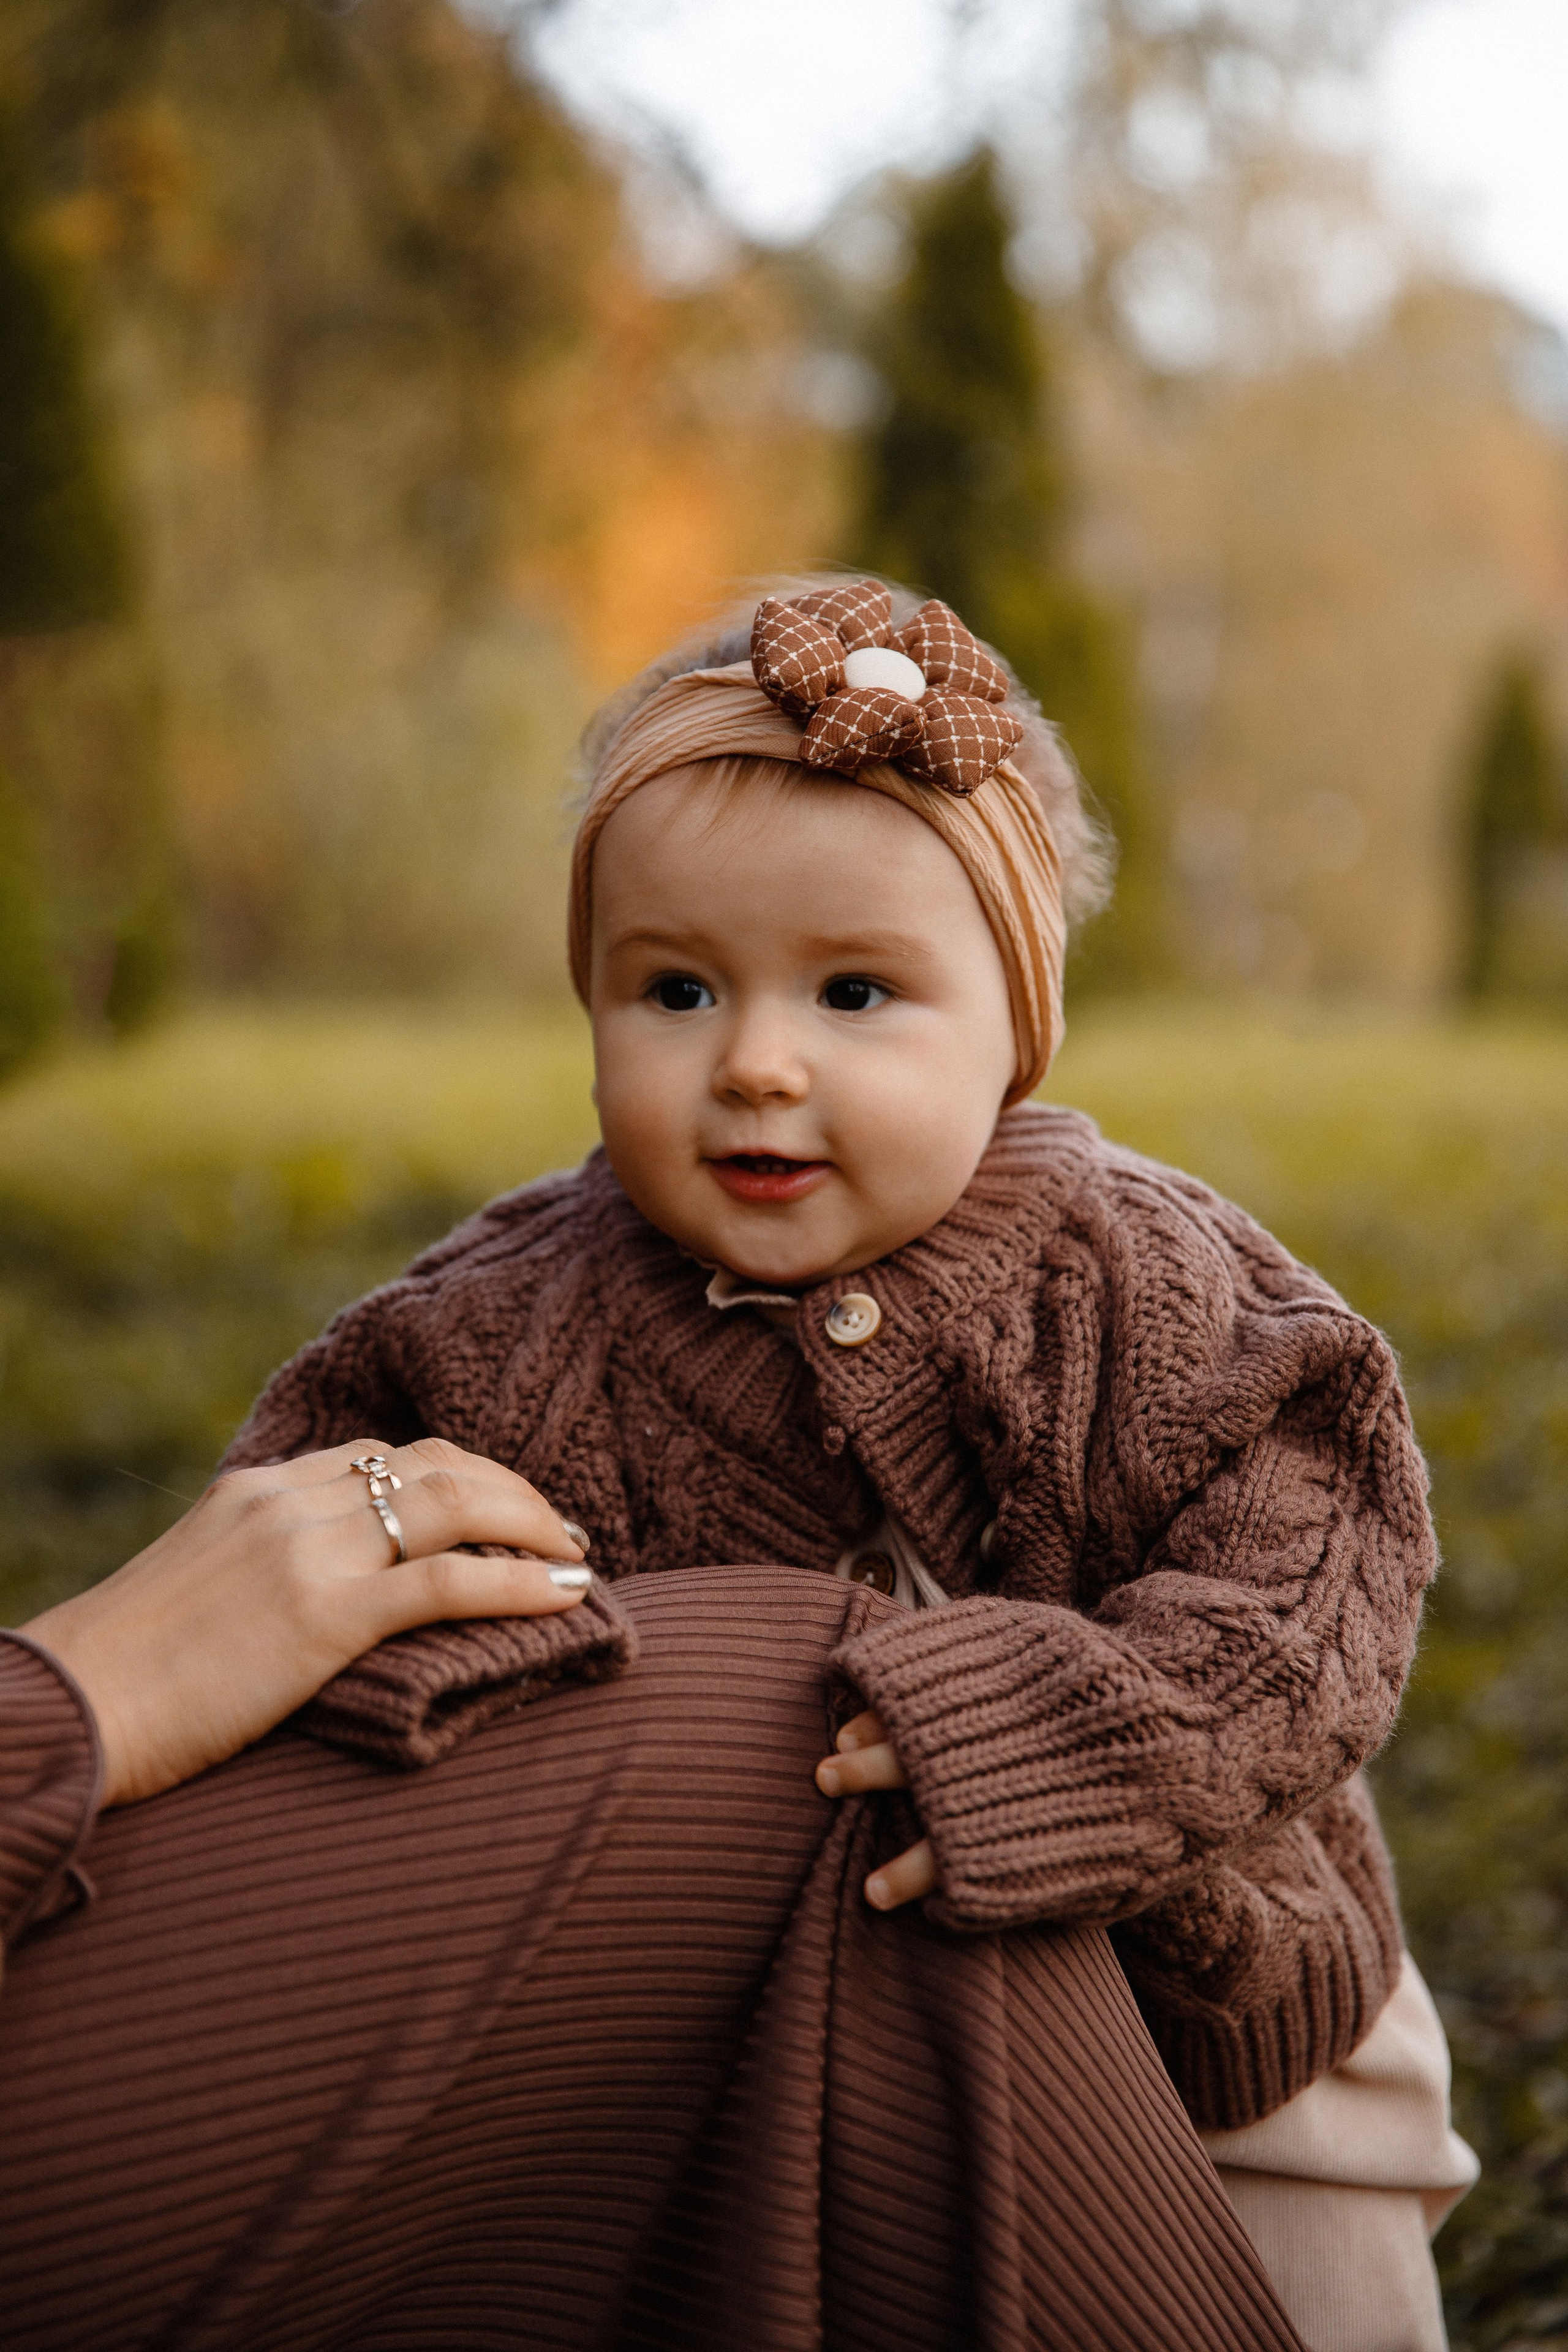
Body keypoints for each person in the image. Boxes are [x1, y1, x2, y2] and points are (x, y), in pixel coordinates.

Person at [1, 576, 1472, 2351]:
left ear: (1022, 1020)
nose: (757, 1066)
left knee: (1309, 2284)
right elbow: (306, 1559)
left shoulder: (1144, 1283)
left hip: (1223, 1984)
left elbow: (1311, 1584)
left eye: (857, 994)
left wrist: (1086, 1730)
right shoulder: (491, 1325)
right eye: (677, 990)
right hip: (747, 2016)